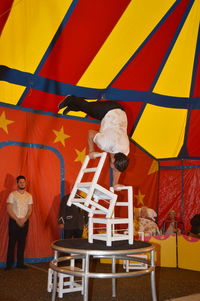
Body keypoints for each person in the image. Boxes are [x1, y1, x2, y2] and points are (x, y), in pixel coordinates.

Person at [58, 95, 130, 188]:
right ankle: (71, 99)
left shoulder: (125, 152)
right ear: (113, 159)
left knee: (90, 111)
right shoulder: (105, 144)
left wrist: (115, 184)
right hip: (109, 110)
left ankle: (72, 107)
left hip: (120, 114)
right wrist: (91, 151)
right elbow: (90, 133)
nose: (112, 168)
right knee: (88, 107)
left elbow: (118, 169)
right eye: (113, 166)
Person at [5, 175, 33, 270]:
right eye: (20, 182)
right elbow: (9, 209)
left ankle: (20, 263)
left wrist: (25, 219)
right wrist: (17, 219)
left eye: (23, 182)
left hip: (25, 221)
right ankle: (9, 265)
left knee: (22, 243)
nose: (22, 184)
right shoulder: (12, 195)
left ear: (25, 183)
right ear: (17, 183)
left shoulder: (29, 196)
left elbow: (30, 210)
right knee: (12, 243)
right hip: (14, 221)